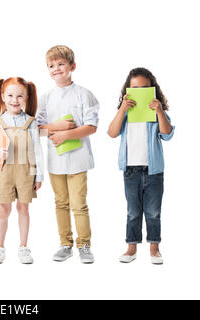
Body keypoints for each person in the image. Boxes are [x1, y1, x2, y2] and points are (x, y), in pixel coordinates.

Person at [36, 45, 99, 264]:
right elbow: (36, 128)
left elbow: (91, 127)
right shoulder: (45, 98)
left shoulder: (84, 94)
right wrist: (58, 127)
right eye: (51, 65)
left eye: (61, 64)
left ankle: (84, 245)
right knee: (60, 202)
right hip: (55, 161)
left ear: (72, 66)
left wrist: (66, 134)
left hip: (78, 159)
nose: (56, 69)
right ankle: (65, 244)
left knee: (79, 204)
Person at [107, 67, 174, 265]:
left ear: (152, 89)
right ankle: (131, 247)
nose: (140, 91)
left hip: (153, 170)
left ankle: (155, 248)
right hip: (131, 170)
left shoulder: (156, 112)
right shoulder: (126, 113)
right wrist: (122, 109)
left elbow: (167, 134)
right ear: (128, 90)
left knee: (153, 212)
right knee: (133, 211)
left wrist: (159, 110)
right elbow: (111, 132)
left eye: (144, 88)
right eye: (135, 88)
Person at [0, 77, 44, 264]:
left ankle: (23, 247)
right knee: (3, 208)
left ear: (26, 97)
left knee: (23, 208)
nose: (14, 100)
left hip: (26, 172)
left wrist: (39, 175)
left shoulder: (31, 122)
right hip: (5, 171)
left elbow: (37, 150)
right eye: (10, 95)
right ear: (3, 96)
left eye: (20, 96)